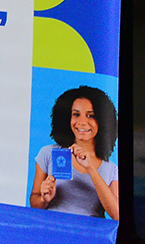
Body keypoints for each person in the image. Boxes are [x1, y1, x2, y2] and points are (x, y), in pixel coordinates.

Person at [30, 86, 119, 219]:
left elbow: (117, 214)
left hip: (89, 237)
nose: (82, 122)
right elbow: (34, 203)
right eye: (76, 114)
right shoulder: (49, 153)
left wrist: (90, 168)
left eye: (90, 115)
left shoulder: (111, 168)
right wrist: (44, 199)